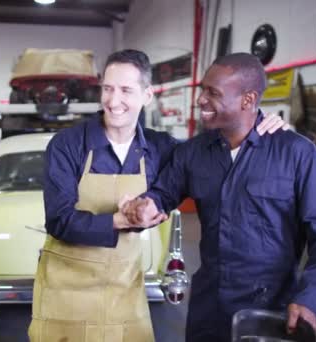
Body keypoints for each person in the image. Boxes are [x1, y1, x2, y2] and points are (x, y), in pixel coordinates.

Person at [28, 49, 287, 342]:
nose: (114, 101)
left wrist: (268, 128)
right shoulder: (68, 145)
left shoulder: (162, 148)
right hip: (66, 293)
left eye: (126, 90)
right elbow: (59, 221)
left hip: (123, 291)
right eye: (108, 89)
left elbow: (212, 153)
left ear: (147, 95)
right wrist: (120, 220)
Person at [124, 53, 316, 342]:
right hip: (208, 305)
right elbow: (164, 193)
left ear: (248, 100)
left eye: (213, 93)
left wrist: (310, 298)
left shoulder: (296, 154)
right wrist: (145, 206)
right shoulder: (193, 152)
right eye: (203, 89)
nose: (201, 99)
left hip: (271, 307)